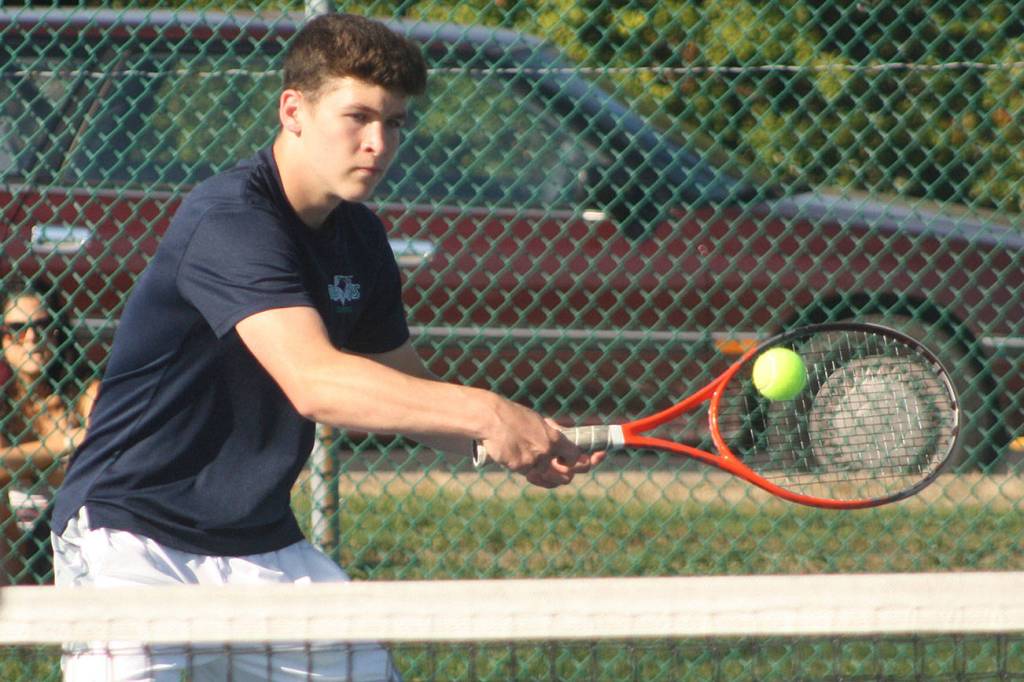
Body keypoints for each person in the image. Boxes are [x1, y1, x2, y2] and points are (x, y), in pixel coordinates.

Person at [50, 12, 601, 681]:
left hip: (260, 543)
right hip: (130, 540)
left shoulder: (361, 238)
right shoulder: (230, 220)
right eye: (358, 117)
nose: (378, 142)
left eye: (394, 122)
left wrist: (515, 440)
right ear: (294, 111)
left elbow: (405, 388)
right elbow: (316, 382)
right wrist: (486, 413)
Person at [0, 282, 98, 584]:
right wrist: (63, 443)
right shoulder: (4, 404)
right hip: (11, 531)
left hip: (73, 519)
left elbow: (99, 452)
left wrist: (18, 461)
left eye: (42, 326)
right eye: (17, 329)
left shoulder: (85, 391)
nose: (31, 338)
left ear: (58, 331)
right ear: (3, 338)